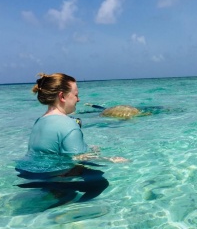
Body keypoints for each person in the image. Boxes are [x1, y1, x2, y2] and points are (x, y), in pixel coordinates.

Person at [15, 73, 126, 210]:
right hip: (49, 176)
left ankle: (56, 194)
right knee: (100, 182)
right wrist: (111, 159)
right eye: (75, 95)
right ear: (62, 96)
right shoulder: (69, 125)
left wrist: (89, 148)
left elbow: (49, 150)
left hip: (27, 173)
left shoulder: (40, 120)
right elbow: (78, 158)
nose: (78, 100)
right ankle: (69, 207)